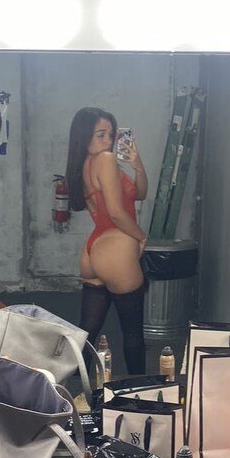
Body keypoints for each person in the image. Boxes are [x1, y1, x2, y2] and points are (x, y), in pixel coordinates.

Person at [66, 107, 148, 375]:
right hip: (117, 246)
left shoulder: (84, 164)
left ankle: (76, 392)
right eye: (100, 134)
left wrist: (137, 164)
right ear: (84, 137)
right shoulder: (105, 160)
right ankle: (139, 392)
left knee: (87, 331)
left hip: (94, 248)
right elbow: (115, 212)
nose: (108, 140)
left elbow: (140, 194)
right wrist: (141, 236)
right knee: (132, 331)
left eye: (111, 134)